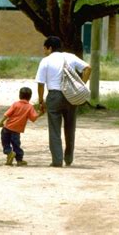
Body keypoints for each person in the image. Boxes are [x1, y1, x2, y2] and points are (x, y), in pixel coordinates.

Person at [35, 36, 92, 167]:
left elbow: (40, 83)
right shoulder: (70, 57)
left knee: (54, 129)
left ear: (49, 48)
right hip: (71, 95)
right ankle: (69, 158)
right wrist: (81, 86)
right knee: (70, 127)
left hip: (54, 95)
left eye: (45, 48)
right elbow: (88, 68)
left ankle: (57, 160)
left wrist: (41, 100)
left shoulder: (45, 61)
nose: (44, 51)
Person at [0, 87, 44, 166]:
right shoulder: (29, 107)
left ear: (19, 95)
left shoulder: (15, 104)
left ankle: (9, 153)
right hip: (16, 131)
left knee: (5, 143)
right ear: (30, 97)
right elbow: (33, 118)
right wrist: (41, 113)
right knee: (16, 145)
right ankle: (19, 160)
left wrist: (1, 122)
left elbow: (7, 114)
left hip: (6, 128)